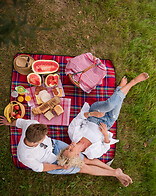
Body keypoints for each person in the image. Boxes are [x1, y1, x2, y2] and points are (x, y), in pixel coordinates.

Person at [0, 117, 133, 187]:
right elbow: (42, 167)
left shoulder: (31, 125)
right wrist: (60, 166)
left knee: (84, 159)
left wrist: (8, 122)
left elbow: (19, 122)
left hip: (57, 145)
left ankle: (115, 171)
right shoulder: (24, 156)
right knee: (83, 167)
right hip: (54, 162)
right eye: (42, 138)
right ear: (35, 143)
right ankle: (114, 173)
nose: (45, 137)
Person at [57, 72, 149, 162]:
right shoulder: (91, 154)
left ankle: (133, 82)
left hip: (93, 115)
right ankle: (120, 88)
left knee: (109, 105)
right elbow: (106, 146)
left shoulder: (73, 133)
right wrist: (105, 134)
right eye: (71, 150)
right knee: (116, 106)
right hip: (108, 122)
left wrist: (93, 114)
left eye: (67, 148)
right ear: (77, 155)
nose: (69, 147)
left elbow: (80, 117)